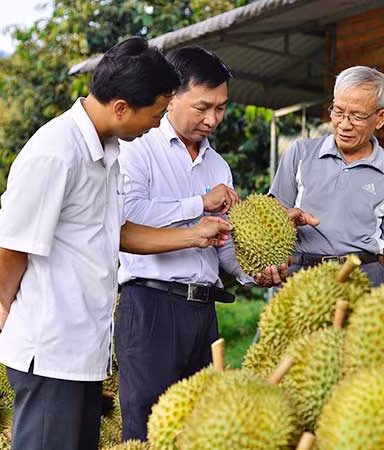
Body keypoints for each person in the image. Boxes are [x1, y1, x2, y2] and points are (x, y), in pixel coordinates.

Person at [0, 37, 233, 450]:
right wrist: (14, 307)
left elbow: (116, 231)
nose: (157, 123)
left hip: (83, 350)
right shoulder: (55, 153)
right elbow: (5, 253)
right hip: (51, 348)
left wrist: (195, 233)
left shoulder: (107, 150)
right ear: (121, 107)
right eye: (155, 114)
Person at [115, 46, 318, 441]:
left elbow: (221, 241)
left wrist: (251, 272)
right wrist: (199, 203)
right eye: (202, 107)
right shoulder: (138, 149)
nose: (212, 119)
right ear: (170, 96)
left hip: (203, 311)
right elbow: (127, 219)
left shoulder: (218, 165)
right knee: (146, 428)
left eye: (221, 109)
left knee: (204, 425)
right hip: (150, 306)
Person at [269, 65, 384, 286]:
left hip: (364, 279)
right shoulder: (301, 153)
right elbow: (271, 215)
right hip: (303, 276)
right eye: (338, 112)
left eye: (357, 116)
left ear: (380, 118)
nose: (344, 124)